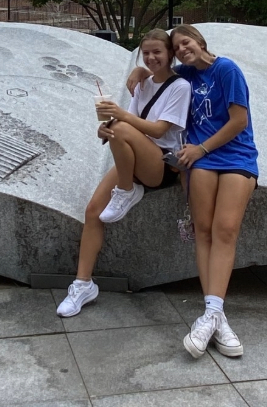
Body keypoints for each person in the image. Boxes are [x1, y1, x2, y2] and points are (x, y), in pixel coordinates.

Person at [128, 24, 258, 359]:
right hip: (201, 162)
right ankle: (215, 315)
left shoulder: (226, 69)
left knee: (225, 229)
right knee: (203, 230)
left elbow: (239, 121)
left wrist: (201, 149)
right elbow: (158, 71)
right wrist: (139, 71)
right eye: (177, 47)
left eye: (186, 43)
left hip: (235, 156)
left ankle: (212, 316)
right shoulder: (185, 73)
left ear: (200, 41)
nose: (182, 50)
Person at [57, 29, 191, 318]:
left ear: (170, 53)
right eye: (146, 53)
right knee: (93, 211)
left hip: (159, 164)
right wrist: (105, 129)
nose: (151, 58)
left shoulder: (180, 87)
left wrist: (119, 118)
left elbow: (159, 130)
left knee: (120, 126)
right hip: (132, 158)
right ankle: (83, 284)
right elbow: (128, 124)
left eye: (157, 52)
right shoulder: (142, 83)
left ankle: (127, 190)